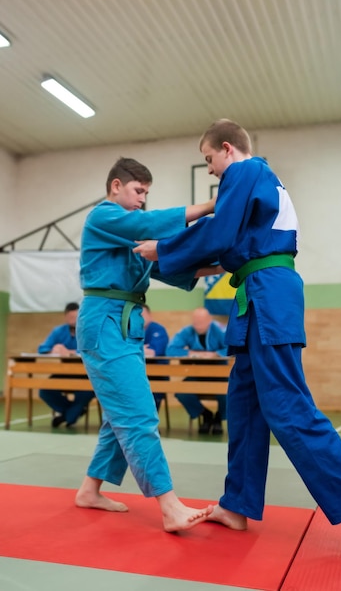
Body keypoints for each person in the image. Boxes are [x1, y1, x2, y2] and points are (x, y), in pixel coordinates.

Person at [133, 119, 341, 559]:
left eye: (209, 160)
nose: (211, 170)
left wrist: (163, 249)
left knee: (286, 406)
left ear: (228, 149)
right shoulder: (255, 189)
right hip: (254, 296)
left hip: (270, 294)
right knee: (245, 405)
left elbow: (218, 235)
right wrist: (160, 264)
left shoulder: (247, 171)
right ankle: (238, 503)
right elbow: (224, 253)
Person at [75, 156, 218, 532]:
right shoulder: (103, 216)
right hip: (105, 322)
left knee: (118, 416)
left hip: (125, 325)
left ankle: (89, 490)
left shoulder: (131, 239)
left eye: (146, 193)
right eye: (139, 191)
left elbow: (169, 266)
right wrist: (209, 206)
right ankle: (169, 506)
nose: (142, 199)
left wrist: (223, 266)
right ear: (116, 186)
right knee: (139, 415)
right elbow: (147, 223)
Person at [166, 307, 228, 435]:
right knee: (182, 392)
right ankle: (205, 414)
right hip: (197, 373)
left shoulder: (220, 329)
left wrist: (215, 354)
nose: (198, 327)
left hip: (220, 374)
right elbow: (170, 349)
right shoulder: (187, 331)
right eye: (196, 323)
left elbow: (233, 347)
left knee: (227, 393)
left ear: (209, 320)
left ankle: (218, 419)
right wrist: (190, 353)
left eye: (202, 323)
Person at [37, 302, 95, 428]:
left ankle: (66, 416)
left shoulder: (88, 331)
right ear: (65, 317)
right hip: (65, 372)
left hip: (86, 374)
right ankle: (71, 412)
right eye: (70, 318)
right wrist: (54, 350)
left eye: (75, 317)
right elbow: (42, 348)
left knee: (85, 393)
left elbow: (92, 350)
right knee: (45, 390)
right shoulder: (58, 331)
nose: (73, 321)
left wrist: (70, 352)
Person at [141, 303, 169, 412]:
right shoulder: (130, 331)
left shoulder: (158, 330)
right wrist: (142, 348)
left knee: (154, 393)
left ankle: (151, 426)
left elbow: (154, 352)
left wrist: (136, 349)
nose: (140, 318)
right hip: (138, 373)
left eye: (142, 314)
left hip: (157, 375)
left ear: (150, 315)